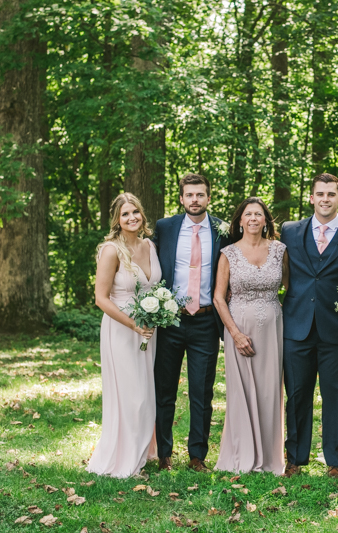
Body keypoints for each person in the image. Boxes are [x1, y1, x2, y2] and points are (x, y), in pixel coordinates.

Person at [279, 173, 338, 478]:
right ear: (311, 198)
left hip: (337, 328)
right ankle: (295, 458)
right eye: (320, 194)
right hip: (297, 325)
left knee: (336, 395)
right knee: (297, 394)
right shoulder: (289, 231)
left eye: (332, 194)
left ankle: (335, 461)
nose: (326, 199)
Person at [152, 173, 231, 472]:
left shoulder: (224, 229)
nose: (195, 200)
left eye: (200, 195)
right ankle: (163, 454)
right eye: (190, 195)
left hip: (206, 322)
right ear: (182, 198)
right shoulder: (165, 227)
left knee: (202, 391)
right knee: (165, 390)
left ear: (209, 197)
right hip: (170, 321)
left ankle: (197, 456)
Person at [213, 198, 288, 474]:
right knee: (240, 390)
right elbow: (219, 298)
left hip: (272, 329)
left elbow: (290, 288)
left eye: (259, 214)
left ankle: (269, 458)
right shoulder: (228, 253)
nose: (254, 218)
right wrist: (235, 333)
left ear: (266, 220)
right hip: (239, 328)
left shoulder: (280, 250)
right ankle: (241, 455)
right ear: (240, 221)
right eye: (248, 214)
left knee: (270, 391)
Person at [88, 193, 159, 478]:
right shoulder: (111, 250)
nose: (132, 218)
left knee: (146, 392)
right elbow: (101, 298)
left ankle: (142, 452)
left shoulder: (149, 245)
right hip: (122, 328)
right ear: (117, 220)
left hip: (149, 328)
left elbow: (154, 287)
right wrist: (133, 324)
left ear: (142, 215)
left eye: (136, 213)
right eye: (125, 214)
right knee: (132, 395)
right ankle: (124, 457)